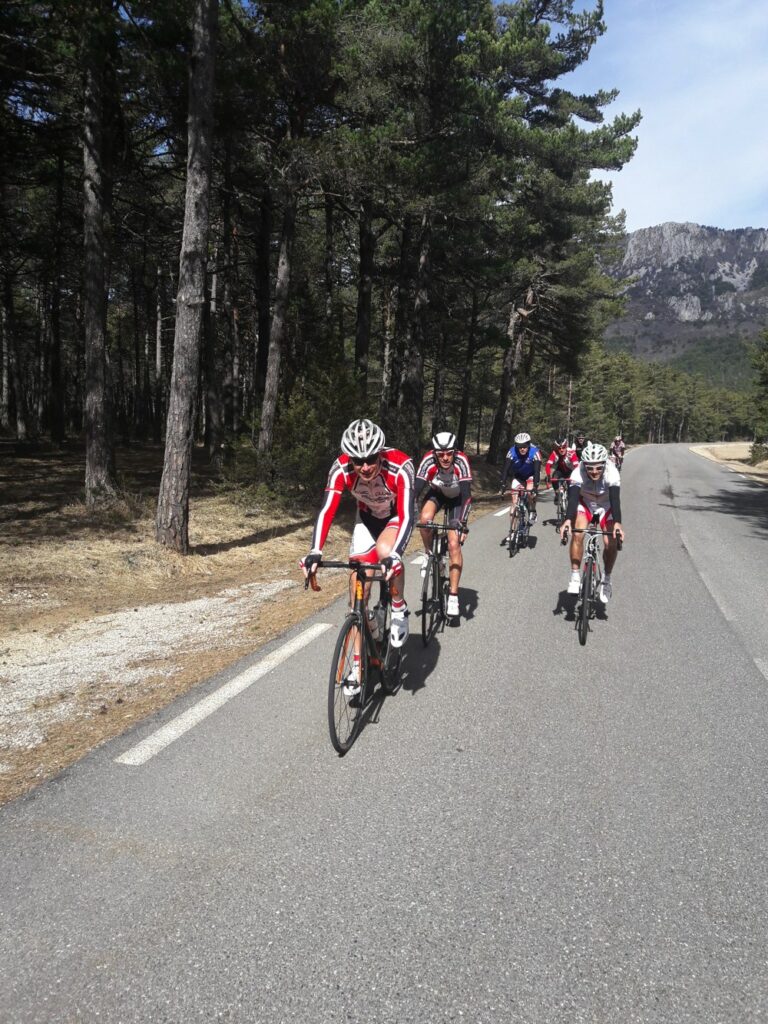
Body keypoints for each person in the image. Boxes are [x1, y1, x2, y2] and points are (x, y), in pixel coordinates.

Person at [302, 419, 415, 693]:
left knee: (387, 552)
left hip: (394, 517)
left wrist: (396, 556)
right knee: (356, 593)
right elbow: (327, 509)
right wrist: (315, 551)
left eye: (371, 459)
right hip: (366, 518)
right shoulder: (340, 469)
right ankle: (356, 663)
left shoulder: (400, 466)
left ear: (381, 453)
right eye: (357, 460)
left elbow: (408, 515)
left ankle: (398, 608)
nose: (365, 467)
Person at [415, 431, 472, 619]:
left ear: (455, 451)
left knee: (454, 543)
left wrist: (462, 523)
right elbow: (416, 489)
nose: (445, 458)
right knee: (424, 520)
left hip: (458, 499)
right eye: (440, 454)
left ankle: (453, 596)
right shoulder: (428, 461)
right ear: (435, 453)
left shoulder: (461, 461)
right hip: (437, 493)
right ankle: (429, 553)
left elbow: (466, 494)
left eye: (449, 453)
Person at [559, 441, 625, 603]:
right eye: (590, 468)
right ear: (584, 465)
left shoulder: (612, 472)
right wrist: (567, 520)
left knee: (610, 542)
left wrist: (617, 523)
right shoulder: (577, 472)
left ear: (604, 464)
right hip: (586, 503)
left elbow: (615, 500)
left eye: (598, 467)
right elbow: (573, 499)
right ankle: (575, 576)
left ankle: (607, 580)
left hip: (606, 505)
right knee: (578, 534)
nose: (594, 472)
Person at [499, 432, 541, 537]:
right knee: (514, 503)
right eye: (519, 447)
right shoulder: (512, 452)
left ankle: (532, 510)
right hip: (518, 477)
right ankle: (512, 531)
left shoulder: (535, 452)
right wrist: (503, 484)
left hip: (531, 476)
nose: (522, 449)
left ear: (529, 445)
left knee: (530, 492)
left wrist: (535, 486)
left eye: (525, 446)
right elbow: (505, 469)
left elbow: (536, 471)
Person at [544, 436, 579, 513]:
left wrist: (577, 477)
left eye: (563, 447)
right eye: (559, 448)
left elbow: (576, 466)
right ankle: (557, 494)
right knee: (554, 477)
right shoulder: (554, 453)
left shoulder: (571, 452)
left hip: (571, 471)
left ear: (566, 446)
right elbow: (548, 465)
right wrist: (548, 476)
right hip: (560, 470)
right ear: (557, 448)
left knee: (571, 490)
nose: (561, 450)